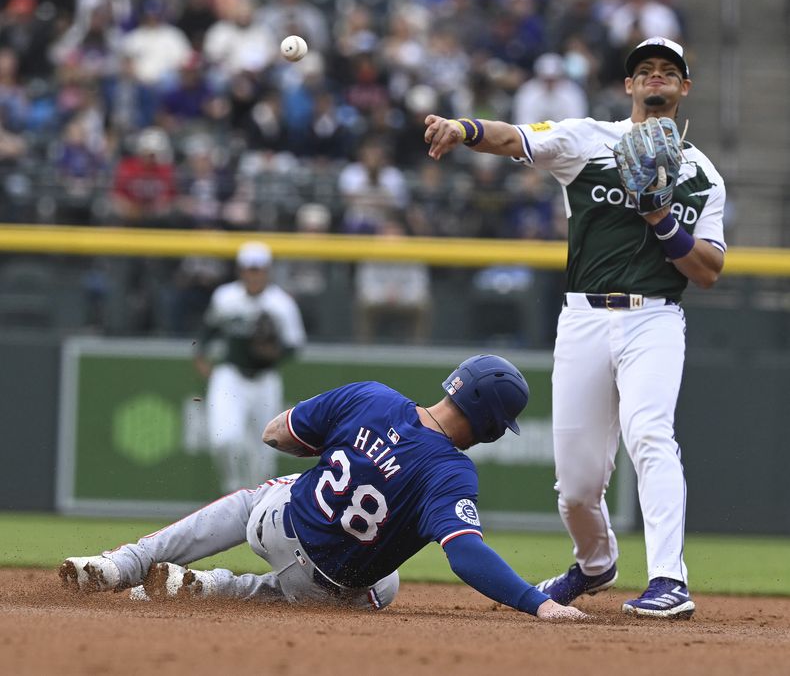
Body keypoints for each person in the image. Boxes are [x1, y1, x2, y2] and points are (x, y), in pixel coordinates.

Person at [423, 37, 727, 619]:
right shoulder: (592, 138)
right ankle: (595, 564)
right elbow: (516, 137)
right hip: (584, 317)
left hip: (655, 318)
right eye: (646, 72)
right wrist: (463, 128)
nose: (656, 79)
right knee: (577, 486)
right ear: (630, 86)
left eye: (668, 72)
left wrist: (661, 219)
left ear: (684, 88)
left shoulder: (703, 174)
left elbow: (709, 270)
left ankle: (670, 579)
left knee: (650, 435)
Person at [59, 354, 585, 621]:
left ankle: (122, 564)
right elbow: (466, 556)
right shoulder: (451, 473)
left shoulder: (372, 396)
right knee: (381, 586)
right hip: (324, 587)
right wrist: (537, 604)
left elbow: (274, 432)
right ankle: (218, 588)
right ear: (493, 426)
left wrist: (351, 451)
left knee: (257, 497)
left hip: (275, 525)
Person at [194, 241, 306, 493]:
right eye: (249, 268)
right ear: (241, 270)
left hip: (265, 379)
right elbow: (209, 330)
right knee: (224, 439)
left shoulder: (281, 304)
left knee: (264, 455)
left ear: (267, 270)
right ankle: (232, 489)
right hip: (230, 375)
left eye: (258, 269)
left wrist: (272, 354)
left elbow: (295, 344)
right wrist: (200, 355)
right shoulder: (225, 296)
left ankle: (255, 504)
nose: (254, 274)